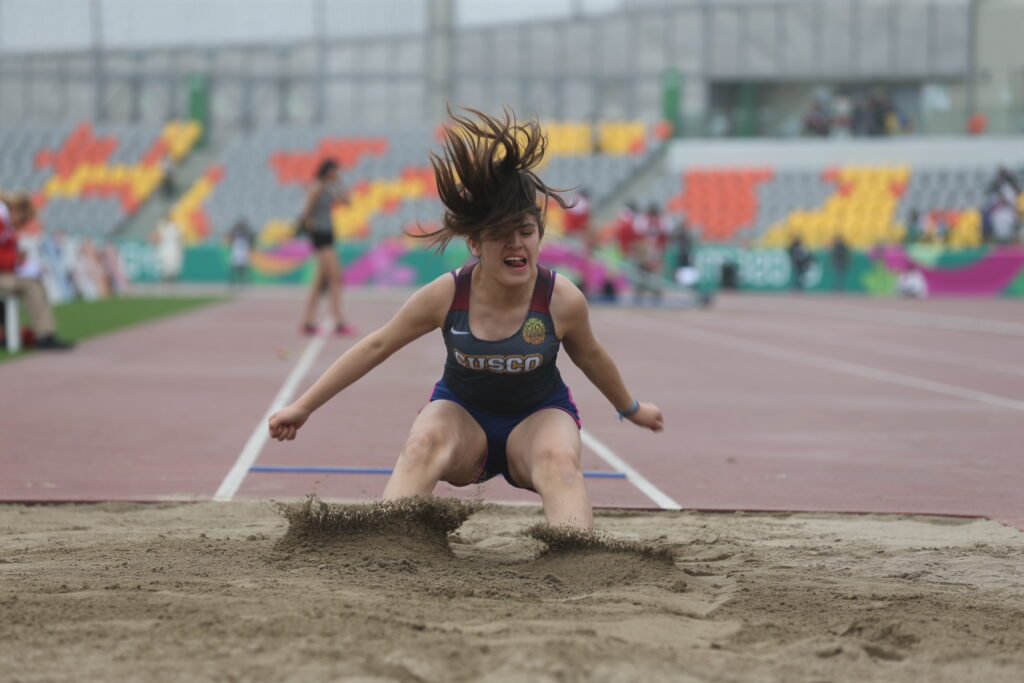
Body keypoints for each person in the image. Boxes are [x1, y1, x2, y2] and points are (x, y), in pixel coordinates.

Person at [268, 107, 664, 530]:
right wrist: (303, 406)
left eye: (526, 232)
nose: (517, 245)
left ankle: (576, 559)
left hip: (538, 419)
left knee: (560, 460)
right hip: (462, 420)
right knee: (422, 443)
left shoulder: (561, 299)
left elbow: (592, 356)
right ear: (475, 242)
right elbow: (377, 345)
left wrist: (631, 408)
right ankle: (384, 545)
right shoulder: (447, 294)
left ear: (540, 236)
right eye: (501, 234)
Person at [0, 192, 73, 350]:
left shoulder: (6, 225)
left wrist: (18, 260)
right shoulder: (2, 221)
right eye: (21, 216)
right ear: (13, 211)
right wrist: (16, 260)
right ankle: (44, 335)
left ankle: (44, 333)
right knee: (31, 285)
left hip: (5, 273)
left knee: (35, 281)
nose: (21, 221)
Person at [297, 159, 354, 336]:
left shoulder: (329, 187)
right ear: (328, 170)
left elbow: (347, 201)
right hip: (321, 236)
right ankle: (338, 320)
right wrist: (306, 227)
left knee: (320, 283)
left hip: (327, 235)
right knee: (336, 277)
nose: (337, 174)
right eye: (335, 171)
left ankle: (307, 321)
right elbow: (307, 211)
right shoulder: (316, 186)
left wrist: (337, 184)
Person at [227, 218, 254, 288]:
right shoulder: (235, 233)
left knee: (243, 269)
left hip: (243, 253)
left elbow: (251, 241)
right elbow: (230, 240)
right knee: (233, 269)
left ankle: (244, 283)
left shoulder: (247, 234)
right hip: (237, 252)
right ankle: (232, 283)